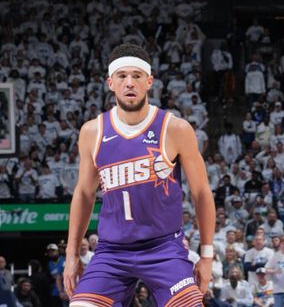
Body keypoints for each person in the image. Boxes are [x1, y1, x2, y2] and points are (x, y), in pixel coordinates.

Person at [64, 44, 215, 307]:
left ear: (149, 81)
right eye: (122, 76)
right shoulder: (92, 131)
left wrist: (207, 255)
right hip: (111, 251)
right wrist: (71, 253)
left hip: (164, 249)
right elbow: (85, 194)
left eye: (136, 76)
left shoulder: (176, 128)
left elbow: (202, 192)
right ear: (110, 83)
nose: (129, 83)